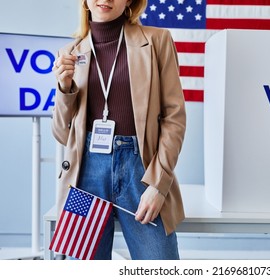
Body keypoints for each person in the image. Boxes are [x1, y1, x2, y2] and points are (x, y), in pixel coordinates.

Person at [51, 0, 186, 260]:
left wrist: (159, 185)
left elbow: (174, 116)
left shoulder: (157, 41)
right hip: (85, 176)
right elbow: (60, 133)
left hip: (141, 170)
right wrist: (65, 87)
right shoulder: (70, 52)